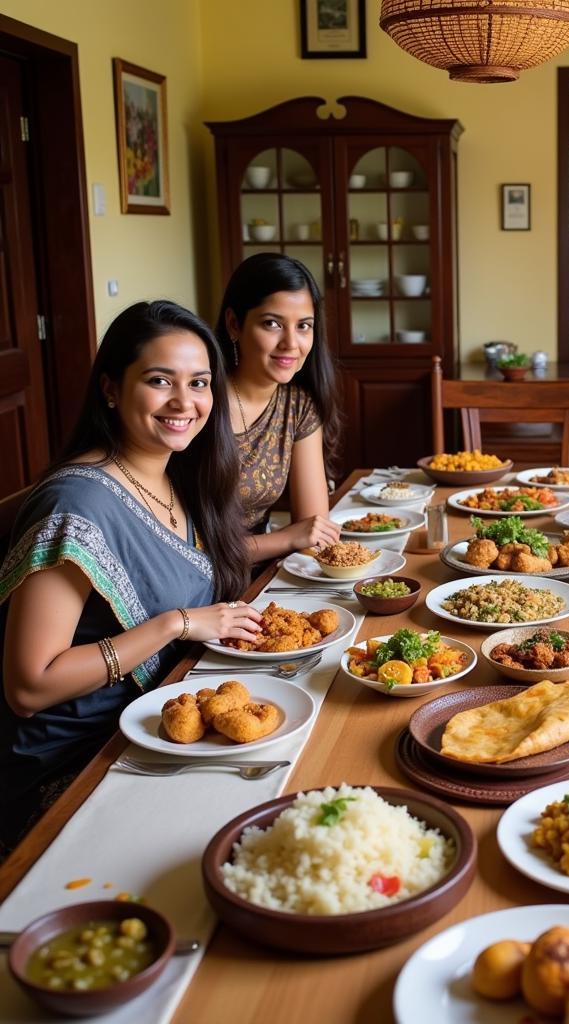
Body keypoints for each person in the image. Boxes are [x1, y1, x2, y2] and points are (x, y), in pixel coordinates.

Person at [0, 301, 262, 853]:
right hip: (75, 763)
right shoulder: (76, 506)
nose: (184, 402)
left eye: (199, 383)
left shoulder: (180, 477)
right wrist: (176, 624)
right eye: (159, 380)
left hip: (159, 720)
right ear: (112, 388)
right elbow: (29, 687)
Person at [214, 253, 342, 560]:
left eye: (304, 326)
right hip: (194, 586)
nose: (291, 343)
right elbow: (180, 550)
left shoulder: (296, 405)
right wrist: (285, 539)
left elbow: (313, 532)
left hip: (256, 575)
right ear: (234, 324)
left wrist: (292, 539)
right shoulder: (199, 404)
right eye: (272, 324)